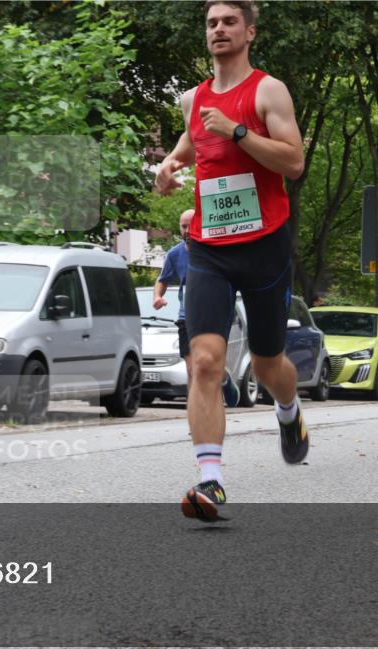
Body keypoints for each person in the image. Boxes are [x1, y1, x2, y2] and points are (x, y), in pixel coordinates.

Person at [154, 0, 307, 521]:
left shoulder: (268, 90)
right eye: (212, 23)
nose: (219, 30)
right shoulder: (192, 99)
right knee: (204, 362)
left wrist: (238, 132)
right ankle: (211, 480)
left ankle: (288, 411)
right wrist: (172, 164)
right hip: (209, 248)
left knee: (267, 364)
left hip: (264, 246)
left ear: (249, 32)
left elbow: (294, 161)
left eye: (229, 22)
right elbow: (195, 139)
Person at [153, 208, 240, 407]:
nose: (187, 230)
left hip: (213, 313)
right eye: (184, 226)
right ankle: (197, 414)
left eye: (191, 225)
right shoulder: (174, 254)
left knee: (210, 364)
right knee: (193, 368)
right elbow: (163, 280)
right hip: (186, 315)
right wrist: (157, 296)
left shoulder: (215, 250)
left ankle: (224, 380)